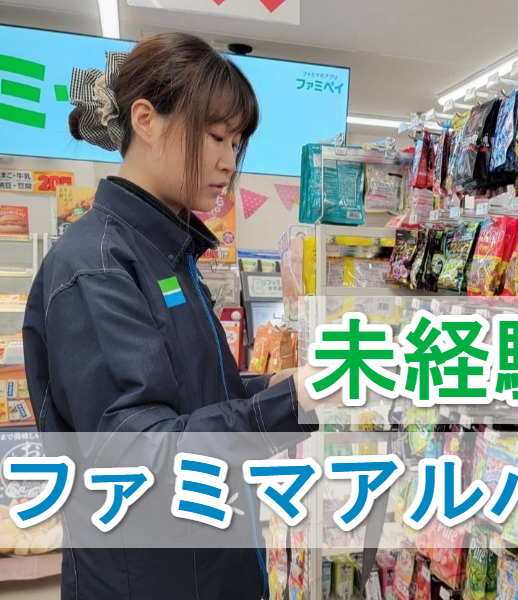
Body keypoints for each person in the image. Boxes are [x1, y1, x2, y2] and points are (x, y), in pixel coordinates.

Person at [22, 32, 322, 600]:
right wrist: (288, 403)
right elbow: (137, 452)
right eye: (215, 136)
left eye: (237, 142)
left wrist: (283, 385)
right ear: (146, 120)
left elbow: (191, 393)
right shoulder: (97, 266)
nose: (229, 161)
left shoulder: (166, 251)